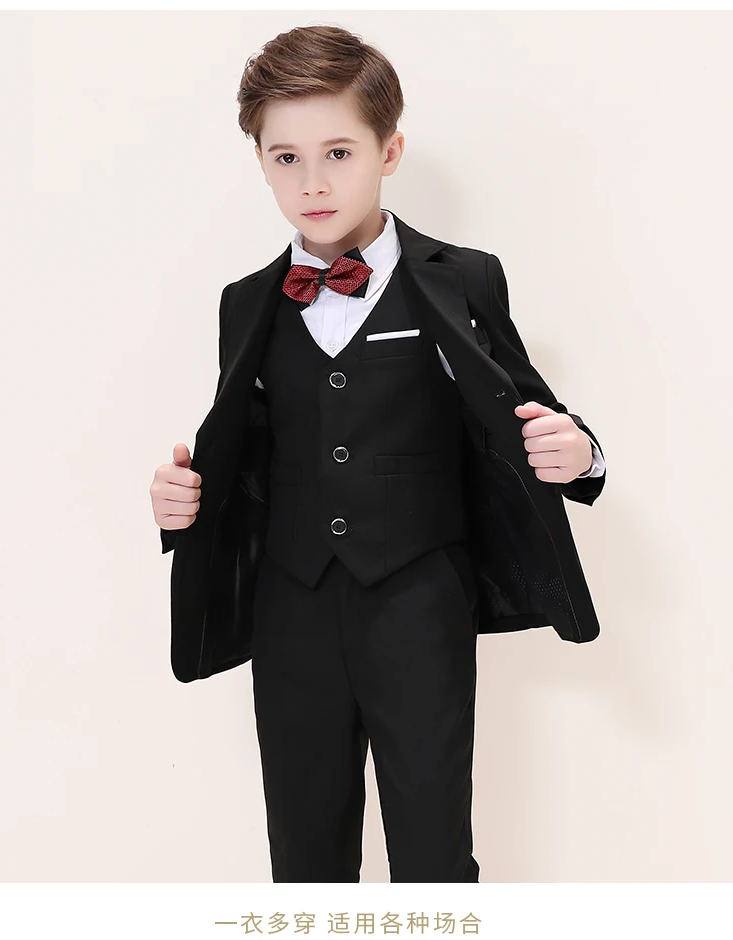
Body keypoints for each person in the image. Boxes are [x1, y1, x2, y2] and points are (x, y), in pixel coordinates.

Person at [149, 25, 606, 883]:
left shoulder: (462, 278)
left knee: (434, 852)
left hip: (420, 603)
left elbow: (529, 405)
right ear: (260, 163)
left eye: (338, 152)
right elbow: (242, 454)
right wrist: (181, 503)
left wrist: (580, 453)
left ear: (389, 151)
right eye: (286, 158)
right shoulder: (245, 303)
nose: (313, 183)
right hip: (291, 608)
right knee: (304, 855)